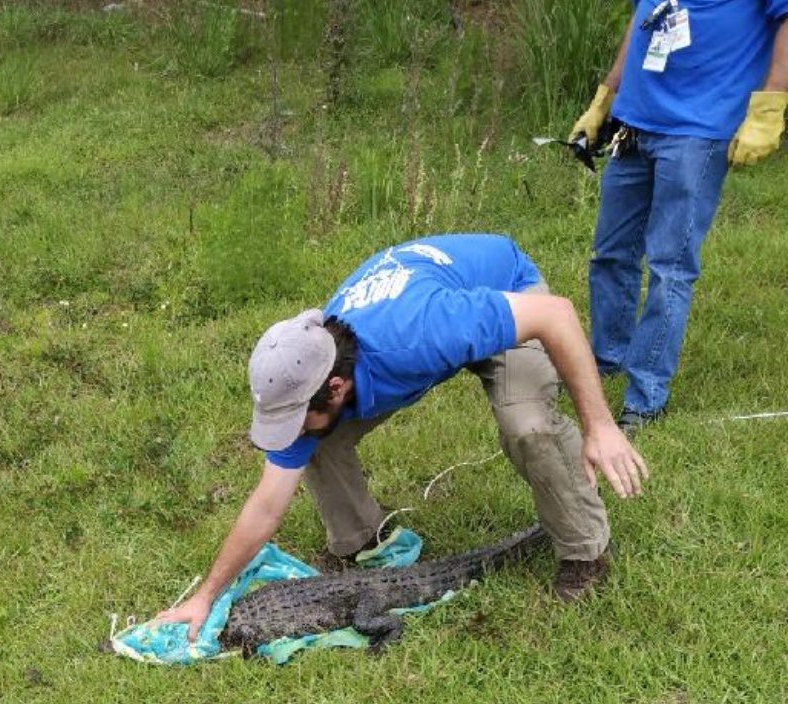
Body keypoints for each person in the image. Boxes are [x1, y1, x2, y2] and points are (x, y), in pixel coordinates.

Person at [155, 234, 648, 641]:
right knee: (318, 443)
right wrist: (206, 595)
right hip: (439, 313)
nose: (292, 432)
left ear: (336, 386)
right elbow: (266, 503)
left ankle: (585, 553)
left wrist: (600, 426)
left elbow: (556, 315)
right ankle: (361, 543)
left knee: (528, 427)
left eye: (298, 418)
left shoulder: (414, 334)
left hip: (504, 292)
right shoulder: (310, 366)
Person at [570, 0, 788, 432]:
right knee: (610, 253)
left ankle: (645, 397)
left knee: (670, 267)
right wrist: (607, 97)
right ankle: (607, 358)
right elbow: (643, 17)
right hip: (636, 122)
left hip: (699, 129)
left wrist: (771, 106)